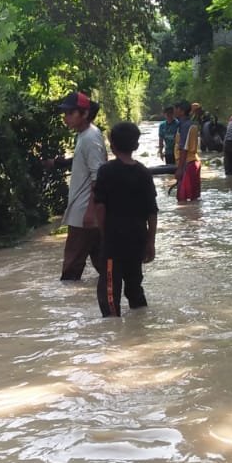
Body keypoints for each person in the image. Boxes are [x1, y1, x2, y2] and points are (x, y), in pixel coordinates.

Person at [92, 122, 158, 317]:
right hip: (138, 238)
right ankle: (141, 321)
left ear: (112, 145)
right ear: (136, 145)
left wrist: (103, 233)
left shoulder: (106, 171)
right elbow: (152, 212)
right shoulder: (144, 173)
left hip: (114, 239)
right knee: (134, 285)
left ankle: (113, 326)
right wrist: (151, 242)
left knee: (110, 291)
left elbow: (99, 206)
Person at [44, 91, 107, 280]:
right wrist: (58, 163)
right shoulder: (86, 135)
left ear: (84, 114)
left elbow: (98, 176)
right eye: (65, 113)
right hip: (87, 212)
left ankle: (69, 298)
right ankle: (117, 288)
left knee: (71, 268)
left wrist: (90, 211)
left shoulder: (90, 138)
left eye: (70, 113)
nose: (66, 117)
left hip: (83, 213)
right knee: (104, 263)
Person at [173, 100, 201, 202]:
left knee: (182, 199)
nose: (174, 111)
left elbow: (184, 148)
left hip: (187, 164)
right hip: (192, 162)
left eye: (176, 109)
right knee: (193, 200)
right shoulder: (189, 124)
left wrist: (180, 169)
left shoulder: (185, 126)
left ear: (182, 111)